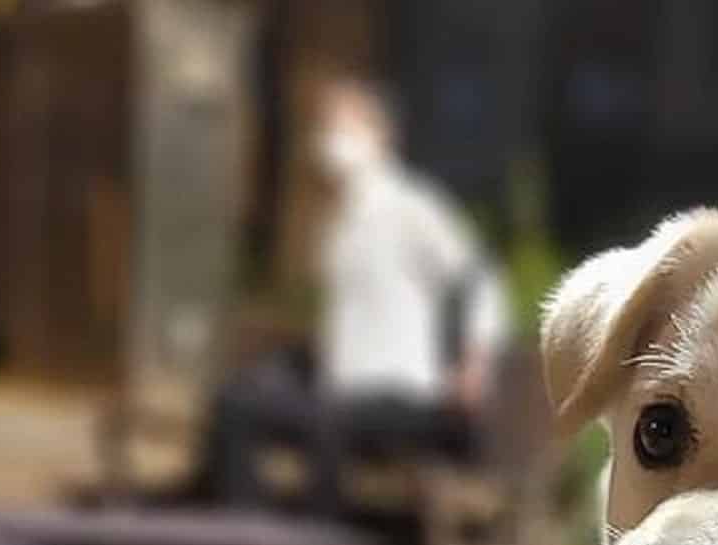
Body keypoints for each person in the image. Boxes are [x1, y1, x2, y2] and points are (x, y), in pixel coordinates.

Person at [202, 78, 511, 519]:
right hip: (338, 392)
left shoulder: (412, 207)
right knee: (237, 406)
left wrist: (475, 363)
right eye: (324, 127)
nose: (329, 140)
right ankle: (247, 534)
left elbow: (480, 278)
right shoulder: (334, 224)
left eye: (342, 126)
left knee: (328, 423)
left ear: (379, 134)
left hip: (403, 398)